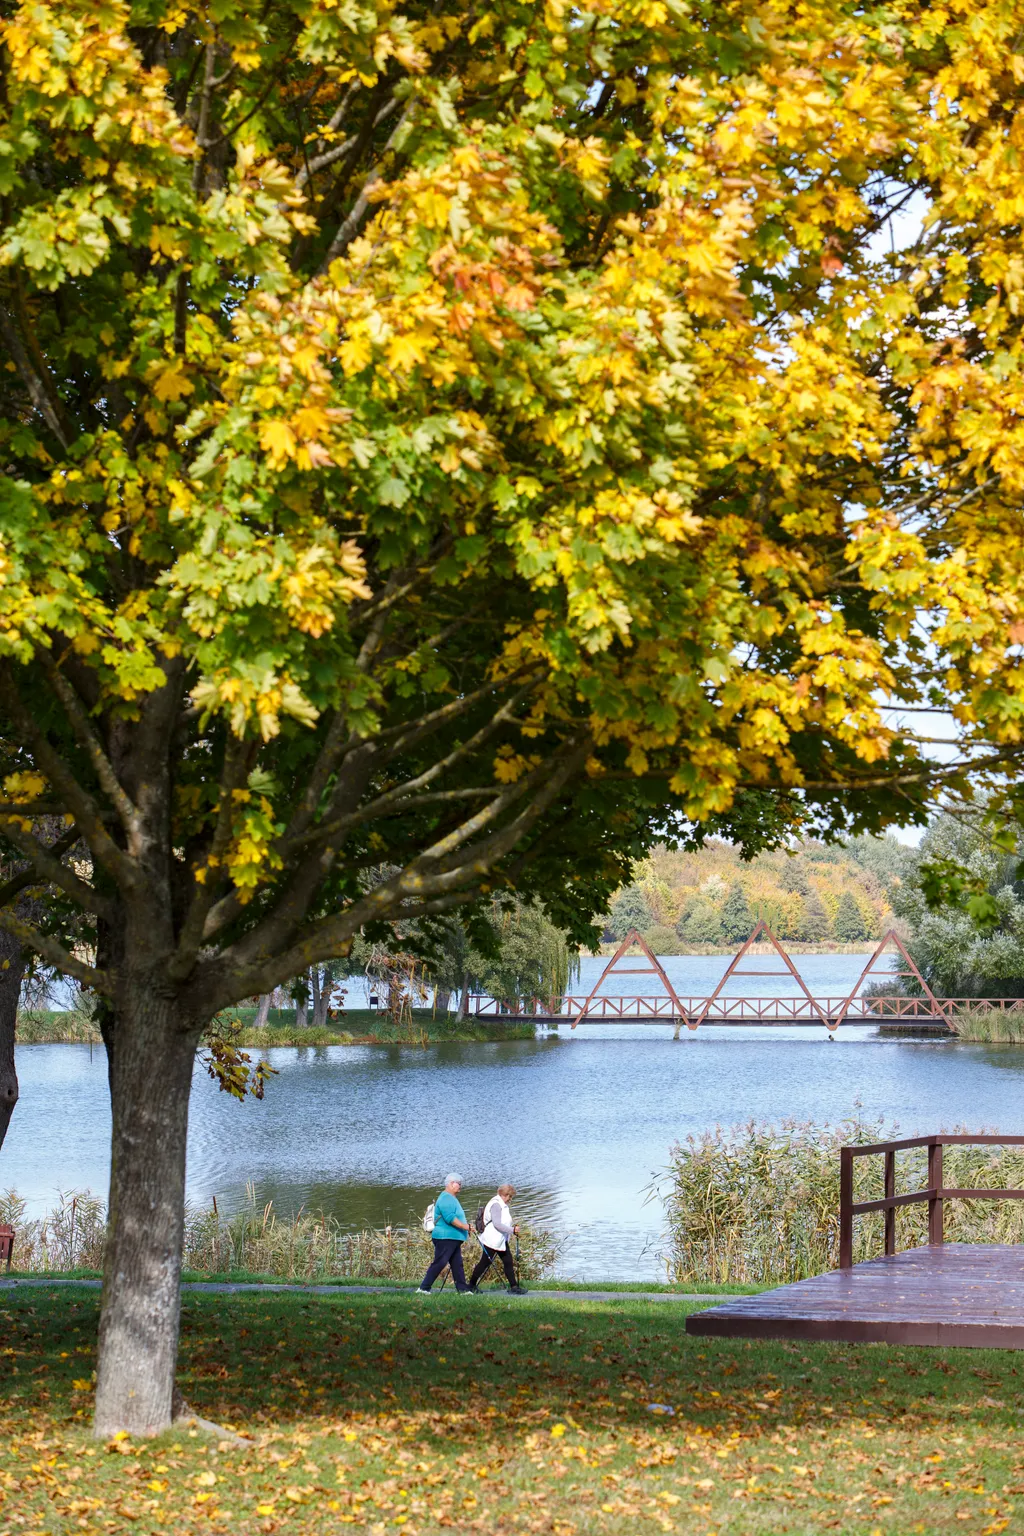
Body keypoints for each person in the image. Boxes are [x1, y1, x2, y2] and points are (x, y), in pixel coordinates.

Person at [417, 1173, 474, 1294]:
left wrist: (465, 1228)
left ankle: (463, 1290)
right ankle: (423, 1288)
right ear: (451, 1184)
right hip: (445, 1237)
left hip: (452, 1238)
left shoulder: (451, 1198)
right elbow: (450, 1218)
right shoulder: (446, 1198)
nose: (460, 1186)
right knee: (440, 1262)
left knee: (457, 1264)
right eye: (459, 1184)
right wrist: (466, 1227)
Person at [470, 1183, 527, 1294]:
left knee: (508, 1261)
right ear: (505, 1195)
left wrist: (511, 1230)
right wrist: (512, 1230)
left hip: (500, 1239)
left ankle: (514, 1287)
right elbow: (497, 1224)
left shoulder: (500, 1203)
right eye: (510, 1197)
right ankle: (471, 1285)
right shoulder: (496, 1205)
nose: (510, 1199)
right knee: (484, 1263)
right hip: (493, 1240)